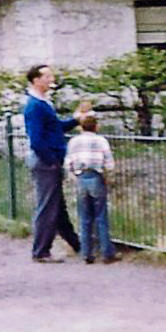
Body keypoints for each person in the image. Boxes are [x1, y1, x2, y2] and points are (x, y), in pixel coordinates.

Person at [23, 64, 89, 263]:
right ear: (36, 80)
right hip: (46, 162)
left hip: (49, 160)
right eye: (47, 76)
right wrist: (51, 160)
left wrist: (75, 120)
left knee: (56, 206)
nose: (52, 79)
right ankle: (41, 251)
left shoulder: (42, 103)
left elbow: (55, 128)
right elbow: (37, 139)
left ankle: (77, 244)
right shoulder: (35, 105)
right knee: (47, 207)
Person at [65, 114, 118, 265]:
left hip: (81, 178)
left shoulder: (73, 142)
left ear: (81, 127)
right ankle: (107, 252)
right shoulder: (101, 141)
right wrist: (108, 174)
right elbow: (109, 163)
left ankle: (86, 253)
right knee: (101, 216)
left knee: (85, 217)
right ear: (96, 126)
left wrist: (74, 175)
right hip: (96, 176)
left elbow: (68, 162)